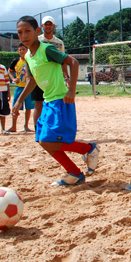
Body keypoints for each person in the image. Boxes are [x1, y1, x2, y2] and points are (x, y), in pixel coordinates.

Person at [12, 16, 99, 186]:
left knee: (48, 141)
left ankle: (88, 149)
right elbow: (32, 81)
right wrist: (18, 102)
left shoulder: (47, 49)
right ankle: (74, 173)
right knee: (43, 141)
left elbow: (73, 62)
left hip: (60, 100)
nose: (24, 35)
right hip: (48, 102)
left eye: (27, 31)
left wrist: (72, 90)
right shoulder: (28, 56)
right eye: (20, 32)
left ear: (37, 31)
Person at [29, 16, 67, 128]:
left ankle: (53, 128)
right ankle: (37, 129)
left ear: (54, 26)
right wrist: (29, 76)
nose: (48, 26)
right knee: (39, 104)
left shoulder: (59, 43)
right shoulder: (37, 40)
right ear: (42, 26)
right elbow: (30, 58)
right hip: (40, 77)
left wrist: (66, 75)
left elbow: (63, 60)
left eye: (50, 24)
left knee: (55, 103)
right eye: (46, 24)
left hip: (55, 78)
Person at [6, 43, 34, 133]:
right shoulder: (15, 61)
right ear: (18, 51)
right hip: (19, 87)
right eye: (19, 49)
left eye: (23, 49)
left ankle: (26, 125)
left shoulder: (30, 60)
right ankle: (13, 126)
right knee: (15, 107)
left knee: (28, 108)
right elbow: (9, 71)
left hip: (29, 87)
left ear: (27, 50)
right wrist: (13, 79)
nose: (21, 51)